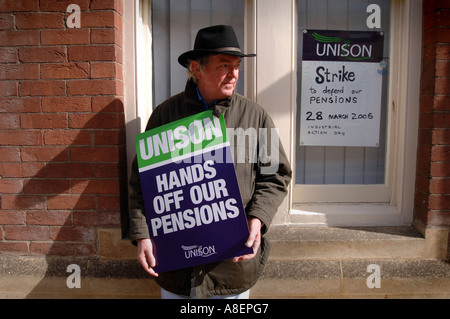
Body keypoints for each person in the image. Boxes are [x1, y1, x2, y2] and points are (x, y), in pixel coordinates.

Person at [128, 25, 292, 299]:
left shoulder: (255, 116)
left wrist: (257, 219)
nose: (235, 73)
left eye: (237, 65)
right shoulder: (165, 116)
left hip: (231, 268)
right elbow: (141, 185)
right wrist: (142, 234)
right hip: (177, 267)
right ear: (197, 68)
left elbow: (276, 175)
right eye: (225, 65)